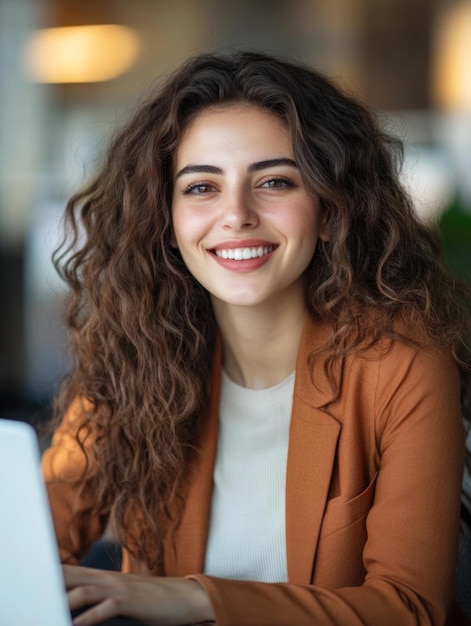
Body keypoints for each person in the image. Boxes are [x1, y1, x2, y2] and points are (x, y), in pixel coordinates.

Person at [42, 50, 471, 626]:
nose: (236, 214)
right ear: (165, 220)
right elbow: (33, 541)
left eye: (273, 181)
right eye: (201, 188)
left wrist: (197, 598)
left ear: (328, 209)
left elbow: (412, 608)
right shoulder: (134, 359)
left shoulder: (403, 365)